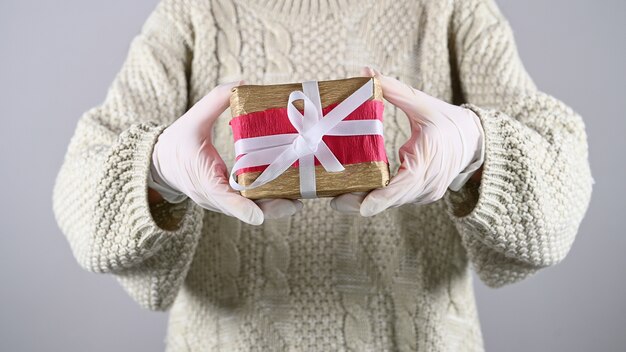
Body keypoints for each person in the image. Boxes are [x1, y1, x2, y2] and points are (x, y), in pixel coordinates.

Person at [52, 0, 594, 350]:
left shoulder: (452, 10)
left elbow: (562, 193)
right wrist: (156, 170)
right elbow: (80, 194)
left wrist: (478, 147)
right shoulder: (192, 14)